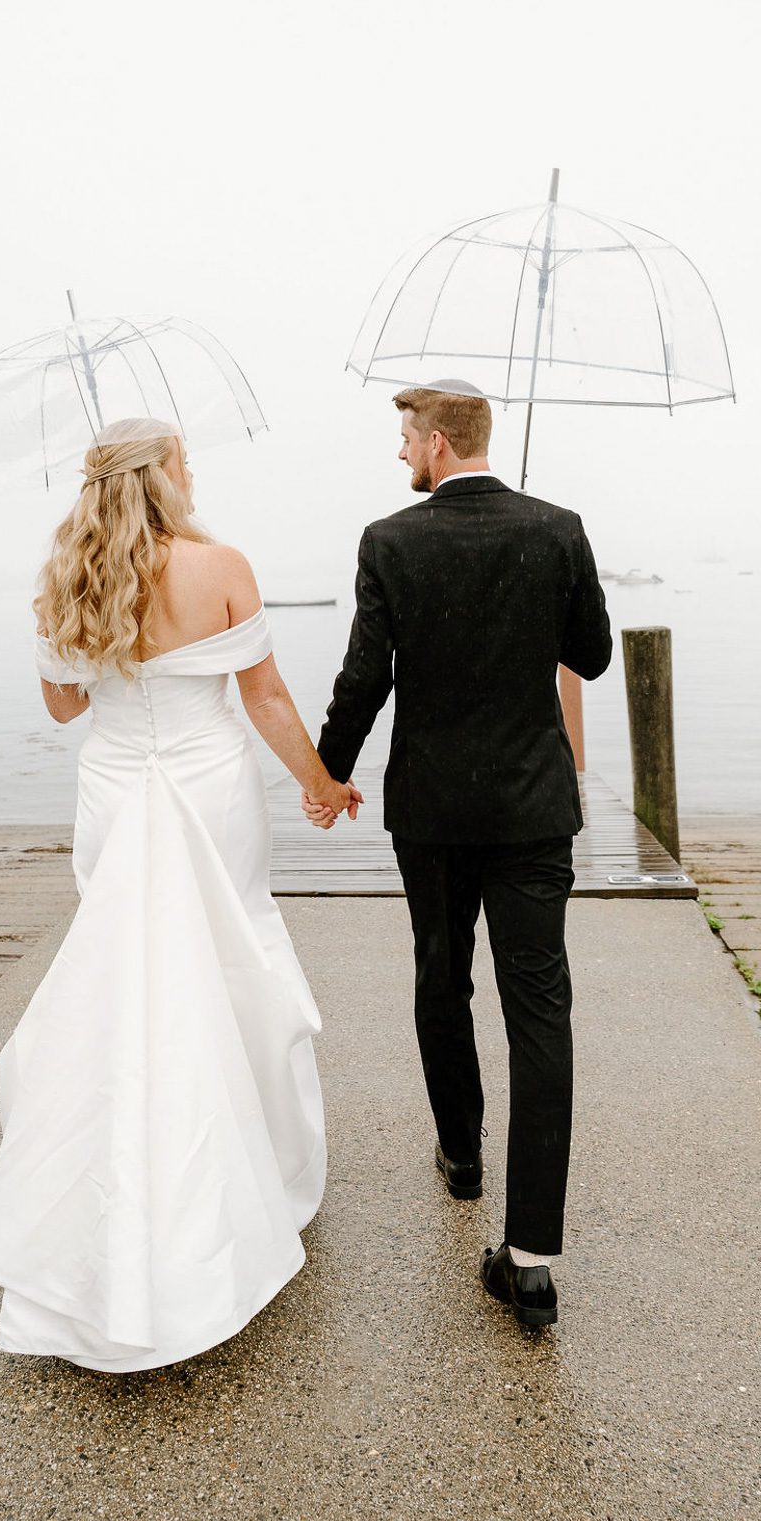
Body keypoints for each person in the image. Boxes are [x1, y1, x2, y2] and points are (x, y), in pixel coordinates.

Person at [0, 416, 360, 1372]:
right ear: (163, 477)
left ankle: (108, 1195)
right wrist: (320, 782)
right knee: (229, 958)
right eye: (187, 460)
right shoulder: (220, 565)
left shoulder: (63, 577)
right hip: (207, 786)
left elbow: (64, 707)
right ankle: (249, 1174)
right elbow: (264, 698)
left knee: (125, 975)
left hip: (114, 786)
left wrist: (83, 631)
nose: (196, 472)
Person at [303, 380, 612, 1328]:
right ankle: (530, 1259)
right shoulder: (558, 528)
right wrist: (541, 589)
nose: (400, 453)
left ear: (438, 442)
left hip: (434, 811)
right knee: (540, 1011)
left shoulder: (389, 541)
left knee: (441, 978)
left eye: (406, 437)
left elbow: (364, 676)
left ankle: (462, 1154)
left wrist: (326, 774)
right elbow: (592, 655)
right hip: (532, 810)